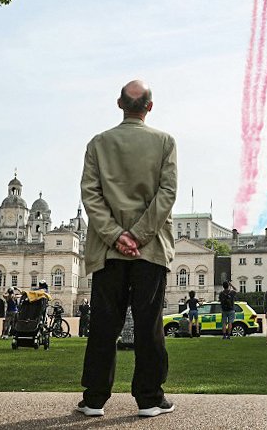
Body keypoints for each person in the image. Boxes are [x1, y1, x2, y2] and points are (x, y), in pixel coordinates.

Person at [77, 80, 177, 419]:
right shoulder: (165, 142)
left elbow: (90, 195)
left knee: (104, 324)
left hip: (108, 251)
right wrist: (139, 234)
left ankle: (94, 398)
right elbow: (167, 194)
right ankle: (149, 398)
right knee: (150, 323)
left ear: (120, 104)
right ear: (150, 106)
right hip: (150, 249)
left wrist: (116, 236)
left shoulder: (98, 143)